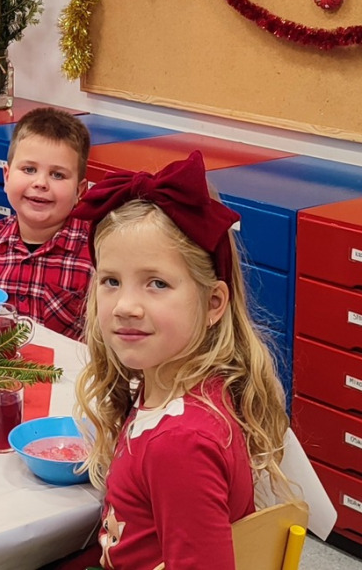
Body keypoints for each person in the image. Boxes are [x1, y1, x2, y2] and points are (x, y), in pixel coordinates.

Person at [71, 152, 291, 570]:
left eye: (156, 283)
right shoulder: (178, 387)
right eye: (111, 281)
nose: (126, 306)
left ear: (213, 303)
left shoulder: (179, 444)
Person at [0, 108, 93, 339]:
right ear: (6, 177)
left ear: (79, 191)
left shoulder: (94, 254)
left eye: (58, 175)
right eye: (29, 169)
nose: (40, 183)